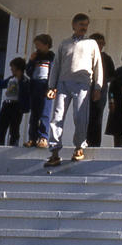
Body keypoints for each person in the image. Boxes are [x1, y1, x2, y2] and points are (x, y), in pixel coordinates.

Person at [44, 13, 103, 167]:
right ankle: (54, 152)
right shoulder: (64, 43)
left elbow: (98, 66)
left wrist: (97, 86)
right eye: (81, 24)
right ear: (74, 25)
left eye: (86, 25)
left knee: (80, 117)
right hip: (63, 84)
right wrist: (52, 86)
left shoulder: (91, 43)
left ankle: (79, 147)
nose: (84, 27)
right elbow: (56, 65)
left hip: (82, 84)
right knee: (57, 117)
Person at [0, 57, 30, 146]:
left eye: (13, 67)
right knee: (1, 126)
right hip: (7, 104)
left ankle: (13, 146)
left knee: (14, 128)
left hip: (17, 106)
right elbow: (1, 84)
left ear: (18, 68)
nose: (11, 69)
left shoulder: (25, 81)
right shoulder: (11, 79)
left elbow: (27, 95)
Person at [24, 34, 55, 148]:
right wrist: (31, 61)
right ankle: (32, 138)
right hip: (35, 86)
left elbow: (55, 73)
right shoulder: (36, 58)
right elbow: (28, 72)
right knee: (34, 114)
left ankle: (43, 137)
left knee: (44, 113)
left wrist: (53, 88)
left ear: (46, 45)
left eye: (38, 45)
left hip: (46, 87)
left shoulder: (52, 58)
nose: (36, 47)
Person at [87, 32, 115, 147]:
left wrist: (111, 99)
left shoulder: (106, 58)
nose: (100, 46)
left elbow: (112, 76)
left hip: (101, 90)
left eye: (102, 43)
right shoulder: (85, 57)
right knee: (84, 117)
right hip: (86, 89)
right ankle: (83, 142)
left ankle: (95, 144)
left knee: (97, 117)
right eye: (98, 43)